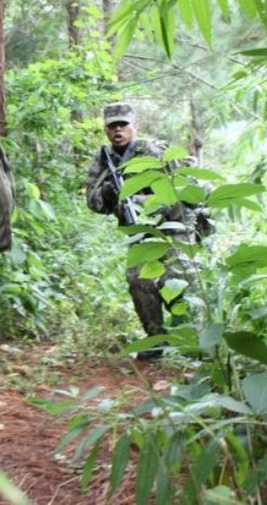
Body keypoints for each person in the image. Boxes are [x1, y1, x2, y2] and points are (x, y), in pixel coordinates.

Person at [85, 103, 209, 361]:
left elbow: (173, 193)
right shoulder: (103, 159)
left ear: (134, 127)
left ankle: (195, 340)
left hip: (173, 222)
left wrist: (139, 202)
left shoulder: (150, 152)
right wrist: (108, 192)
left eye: (123, 124)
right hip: (140, 228)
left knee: (175, 280)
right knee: (138, 280)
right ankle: (157, 340)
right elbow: (93, 202)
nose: (118, 130)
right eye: (112, 126)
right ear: (105, 130)